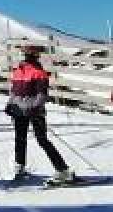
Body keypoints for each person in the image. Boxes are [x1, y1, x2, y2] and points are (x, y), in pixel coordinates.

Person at [7, 45, 75, 184]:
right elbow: (14, 91)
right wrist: (10, 104)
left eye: (30, 55)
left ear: (36, 56)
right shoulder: (18, 71)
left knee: (42, 140)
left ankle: (63, 170)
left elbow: (42, 95)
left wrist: (35, 107)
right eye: (25, 54)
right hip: (19, 110)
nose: (26, 57)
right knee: (20, 140)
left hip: (34, 111)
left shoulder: (39, 72)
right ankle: (19, 168)